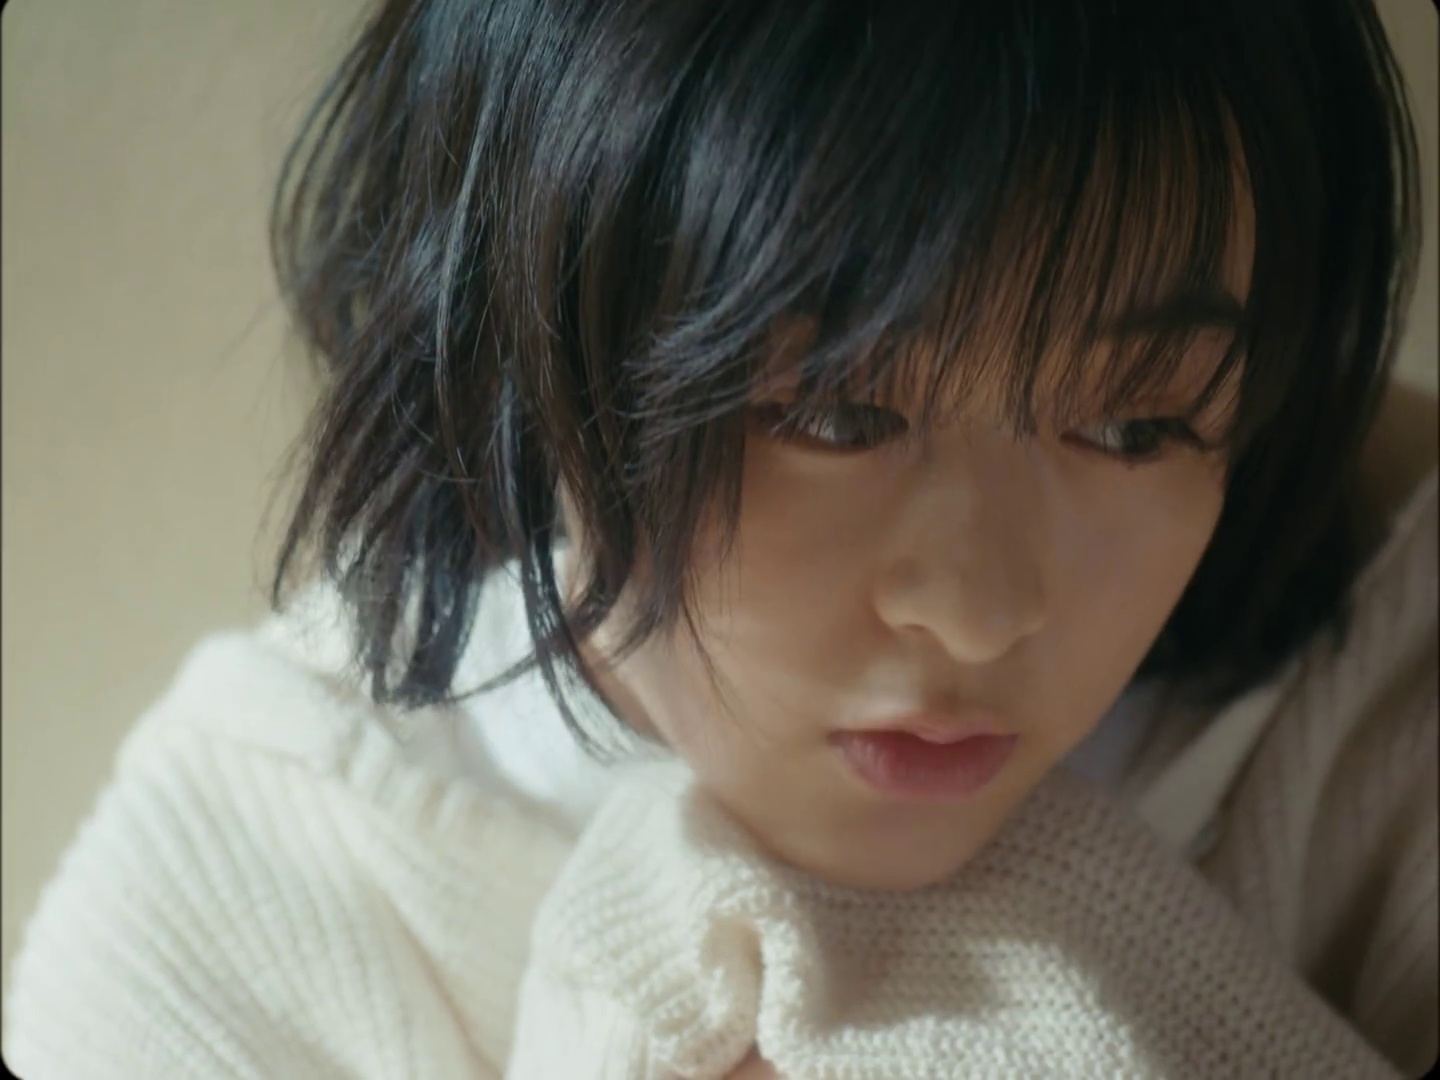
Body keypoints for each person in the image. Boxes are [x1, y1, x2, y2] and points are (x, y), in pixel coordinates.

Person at [5, 0, 1436, 1076]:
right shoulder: (230, 907)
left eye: (1133, 427)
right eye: (835, 414)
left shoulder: (1384, 702)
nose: (980, 608)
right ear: (521, 335)